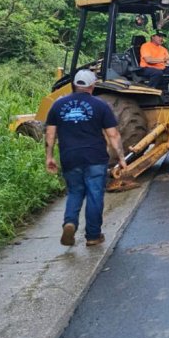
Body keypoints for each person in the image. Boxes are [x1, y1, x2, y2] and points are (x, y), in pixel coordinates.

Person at [45, 69, 127, 247]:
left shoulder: (58, 105)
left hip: (70, 157)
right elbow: (113, 135)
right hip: (95, 157)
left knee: (75, 192)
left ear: (74, 85)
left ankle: (70, 223)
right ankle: (93, 236)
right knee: (94, 194)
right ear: (92, 85)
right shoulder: (101, 105)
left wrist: (49, 157)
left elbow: (50, 133)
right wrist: (121, 158)